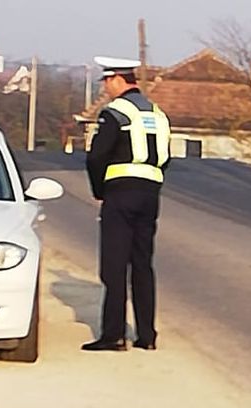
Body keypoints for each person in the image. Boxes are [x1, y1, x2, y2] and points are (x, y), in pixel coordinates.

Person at [82, 56, 172, 352]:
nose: (106, 89)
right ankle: (147, 336)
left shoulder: (115, 112)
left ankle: (113, 335)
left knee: (115, 266)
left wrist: (99, 190)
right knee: (143, 265)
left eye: (107, 82)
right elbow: (166, 157)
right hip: (150, 193)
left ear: (118, 79)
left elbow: (96, 156)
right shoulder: (157, 113)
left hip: (120, 192)